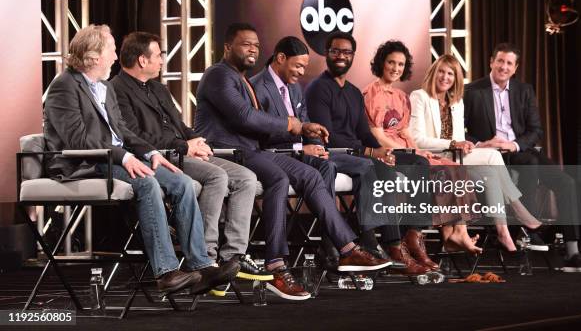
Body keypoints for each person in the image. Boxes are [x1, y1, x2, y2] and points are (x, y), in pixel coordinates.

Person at [194, 23, 391, 300]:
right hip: (227, 152)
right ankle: (276, 266)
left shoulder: (241, 79)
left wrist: (304, 130)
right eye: (246, 44)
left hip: (251, 150)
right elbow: (244, 117)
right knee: (279, 178)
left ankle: (347, 250)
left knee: (311, 175)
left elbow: (254, 124)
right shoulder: (218, 75)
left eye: (256, 45)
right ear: (227, 47)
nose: (253, 49)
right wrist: (293, 126)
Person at [43, 25, 238, 296]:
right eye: (111, 51)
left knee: (182, 182)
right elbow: (78, 140)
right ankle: (167, 272)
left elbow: (122, 131)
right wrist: (123, 157)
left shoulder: (103, 87)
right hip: (84, 164)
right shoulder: (64, 86)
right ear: (93, 56)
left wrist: (151, 153)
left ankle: (202, 266)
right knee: (147, 184)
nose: (115, 57)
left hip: (117, 159)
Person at [110, 31, 269, 284]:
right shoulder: (116, 90)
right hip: (161, 156)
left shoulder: (158, 89)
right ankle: (206, 258)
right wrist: (184, 146)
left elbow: (179, 124)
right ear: (142, 60)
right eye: (160, 55)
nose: (163, 60)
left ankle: (234, 257)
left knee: (247, 178)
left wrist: (197, 140)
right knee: (217, 176)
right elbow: (134, 136)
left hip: (183, 150)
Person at [305, 31, 435, 275]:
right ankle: (385, 244)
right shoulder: (318, 89)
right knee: (374, 166)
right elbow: (326, 135)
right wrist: (369, 152)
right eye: (335, 51)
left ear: (353, 56)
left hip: (357, 152)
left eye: (346, 52)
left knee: (417, 162)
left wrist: (382, 151)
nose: (341, 56)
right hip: (332, 154)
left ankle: (413, 235)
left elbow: (364, 132)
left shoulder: (353, 93)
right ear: (327, 53)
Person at [463, 42, 581, 272]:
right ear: (491, 62)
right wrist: (485, 144)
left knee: (566, 182)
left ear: (515, 68)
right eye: (500, 61)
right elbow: (462, 130)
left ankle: (572, 252)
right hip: (490, 154)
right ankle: (529, 229)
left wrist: (514, 144)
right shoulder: (472, 91)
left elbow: (536, 130)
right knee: (530, 164)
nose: (504, 67)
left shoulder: (524, 90)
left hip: (519, 149)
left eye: (509, 63)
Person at [250, 36, 377, 267]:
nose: (301, 72)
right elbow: (261, 140)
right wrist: (300, 148)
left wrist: (315, 140)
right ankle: (335, 246)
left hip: (302, 152)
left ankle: (335, 244)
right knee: (324, 166)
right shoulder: (258, 87)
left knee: (334, 163)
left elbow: (304, 124)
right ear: (280, 58)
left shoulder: (296, 89)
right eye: (297, 65)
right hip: (274, 156)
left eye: (304, 67)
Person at [409, 54, 542, 252]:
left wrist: (473, 146)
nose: (445, 77)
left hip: (453, 156)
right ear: (434, 73)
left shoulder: (456, 102)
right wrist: (454, 143)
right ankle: (517, 208)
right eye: (442, 72)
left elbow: (458, 141)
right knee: (494, 157)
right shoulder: (419, 96)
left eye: (451, 74)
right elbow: (417, 139)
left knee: (491, 174)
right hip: (432, 157)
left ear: (456, 79)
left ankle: (503, 231)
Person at [363, 40, 481, 254]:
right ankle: (421, 235)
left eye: (400, 64)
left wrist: (418, 149)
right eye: (391, 62)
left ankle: (459, 232)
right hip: (388, 153)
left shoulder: (401, 96)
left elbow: (406, 132)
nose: (396, 68)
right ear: (381, 63)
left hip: (408, 151)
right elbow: (377, 135)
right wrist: (413, 153)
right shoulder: (371, 93)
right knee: (432, 168)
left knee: (454, 166)